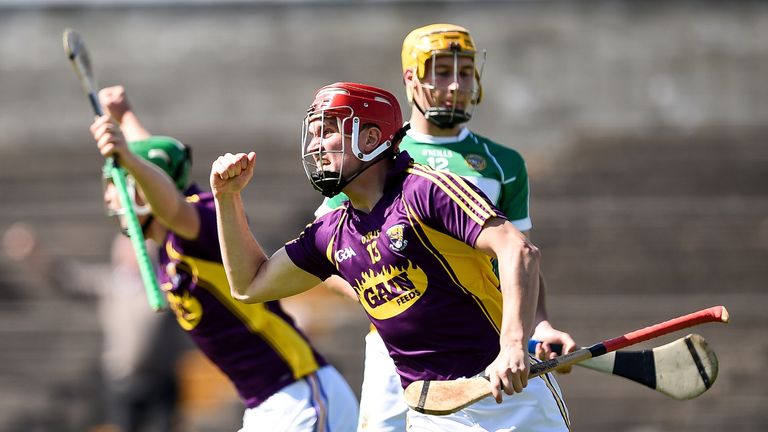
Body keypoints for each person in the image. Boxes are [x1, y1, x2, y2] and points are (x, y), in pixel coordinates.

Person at [211, 82, 570, 431]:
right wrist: (227, 198)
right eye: (314, 133)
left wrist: (513, 346)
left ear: (370, 139)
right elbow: (249, 284)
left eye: (329, 131)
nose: (317, 146)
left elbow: (519, 251)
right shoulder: (331, 232)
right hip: (432, 411)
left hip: (508, 400)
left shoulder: (426, 190)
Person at [315, 23, 578, 430]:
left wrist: (538, 323)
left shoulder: (502, 162)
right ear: (410, 78)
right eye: (440, 70)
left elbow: (521, 253)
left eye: (465, 71)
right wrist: (389, 299)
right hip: (393, 347)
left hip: (477, 338)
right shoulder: (375, 157)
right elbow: (326, 255)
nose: (455, 84)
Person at [89, 86, 358, 432]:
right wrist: (125, 116)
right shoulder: (167, 240)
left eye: (121, 184)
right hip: (265, 404)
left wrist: (127, 155)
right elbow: (163, 163)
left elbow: (168, 198)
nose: (112, 198)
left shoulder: (197, 219)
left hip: (297, 392)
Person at [2, 224, 188, 432]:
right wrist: (36, 255)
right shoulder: (110, 284)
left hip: (161, 381)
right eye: (128, 247)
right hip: (122, 382)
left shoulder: (165, 285)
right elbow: (69, 278)